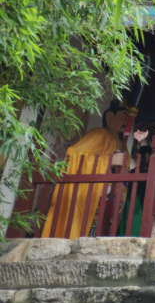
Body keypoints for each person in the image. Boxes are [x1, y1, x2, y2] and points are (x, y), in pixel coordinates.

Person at [41, 101, 130, 238]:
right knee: (90, 227)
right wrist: (109, 161)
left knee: (105, 228)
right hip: (98, 193)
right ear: (110, 118)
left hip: (115, 197)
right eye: (124, 117)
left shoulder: (122, 144)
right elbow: (76, 154)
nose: (127, 122)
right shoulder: (99, 134)